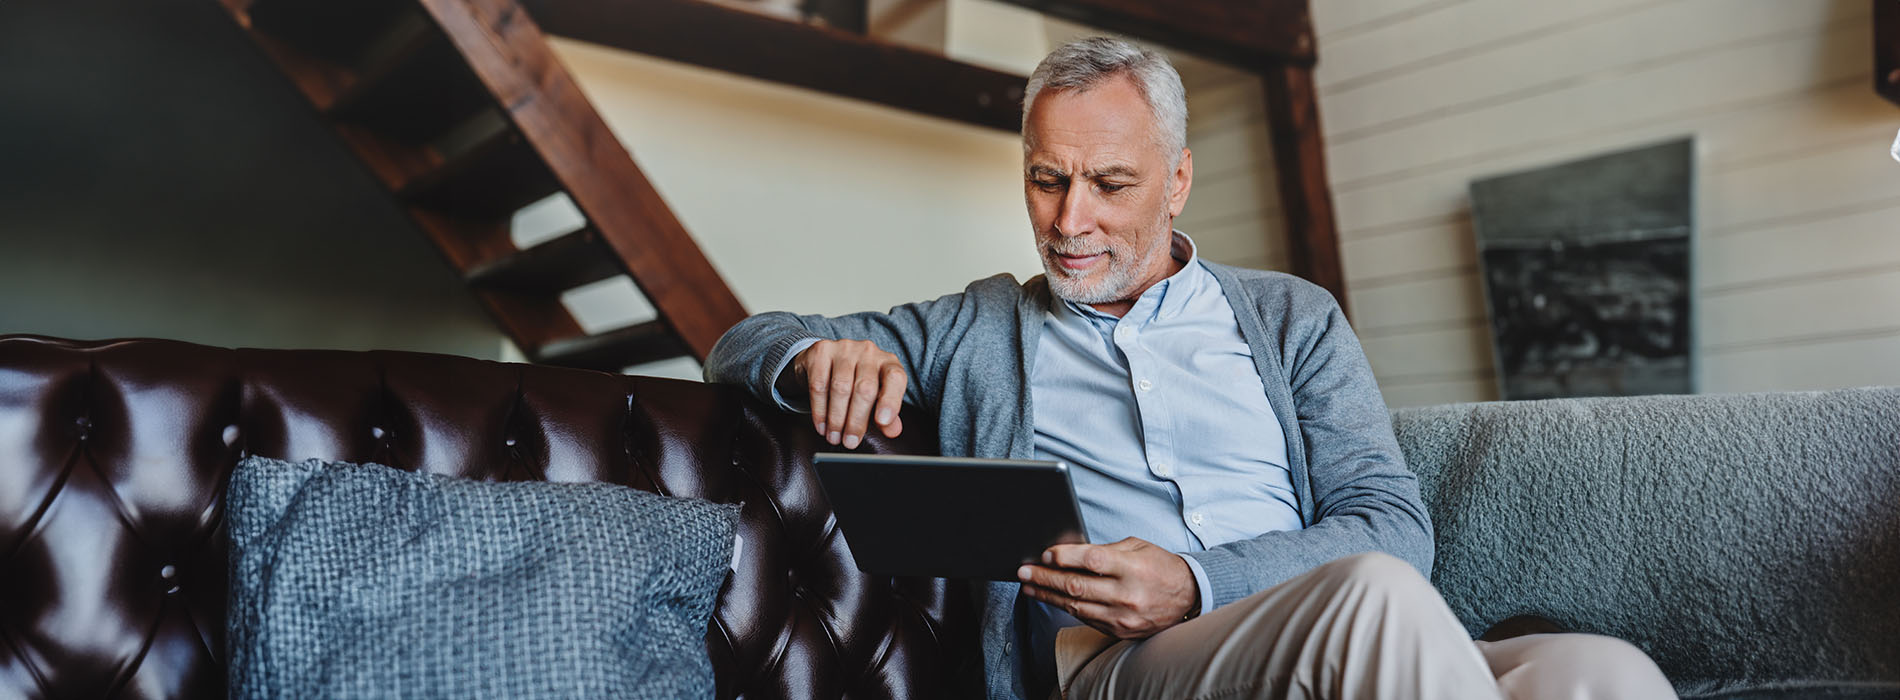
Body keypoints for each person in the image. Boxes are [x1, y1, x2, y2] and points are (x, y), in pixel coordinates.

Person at [705, 36, 1676, 700]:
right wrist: (811, 353)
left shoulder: (1291, 316)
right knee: (1372, 598)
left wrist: (1197, 579)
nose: (1069, 219)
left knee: (1601, 673)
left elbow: (1390, 522)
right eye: (1046, 179)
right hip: (1118, 661)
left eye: (1108, 184)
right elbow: (740, 340)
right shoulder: (980, 324)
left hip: (1309, 631)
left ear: (1175, 181)